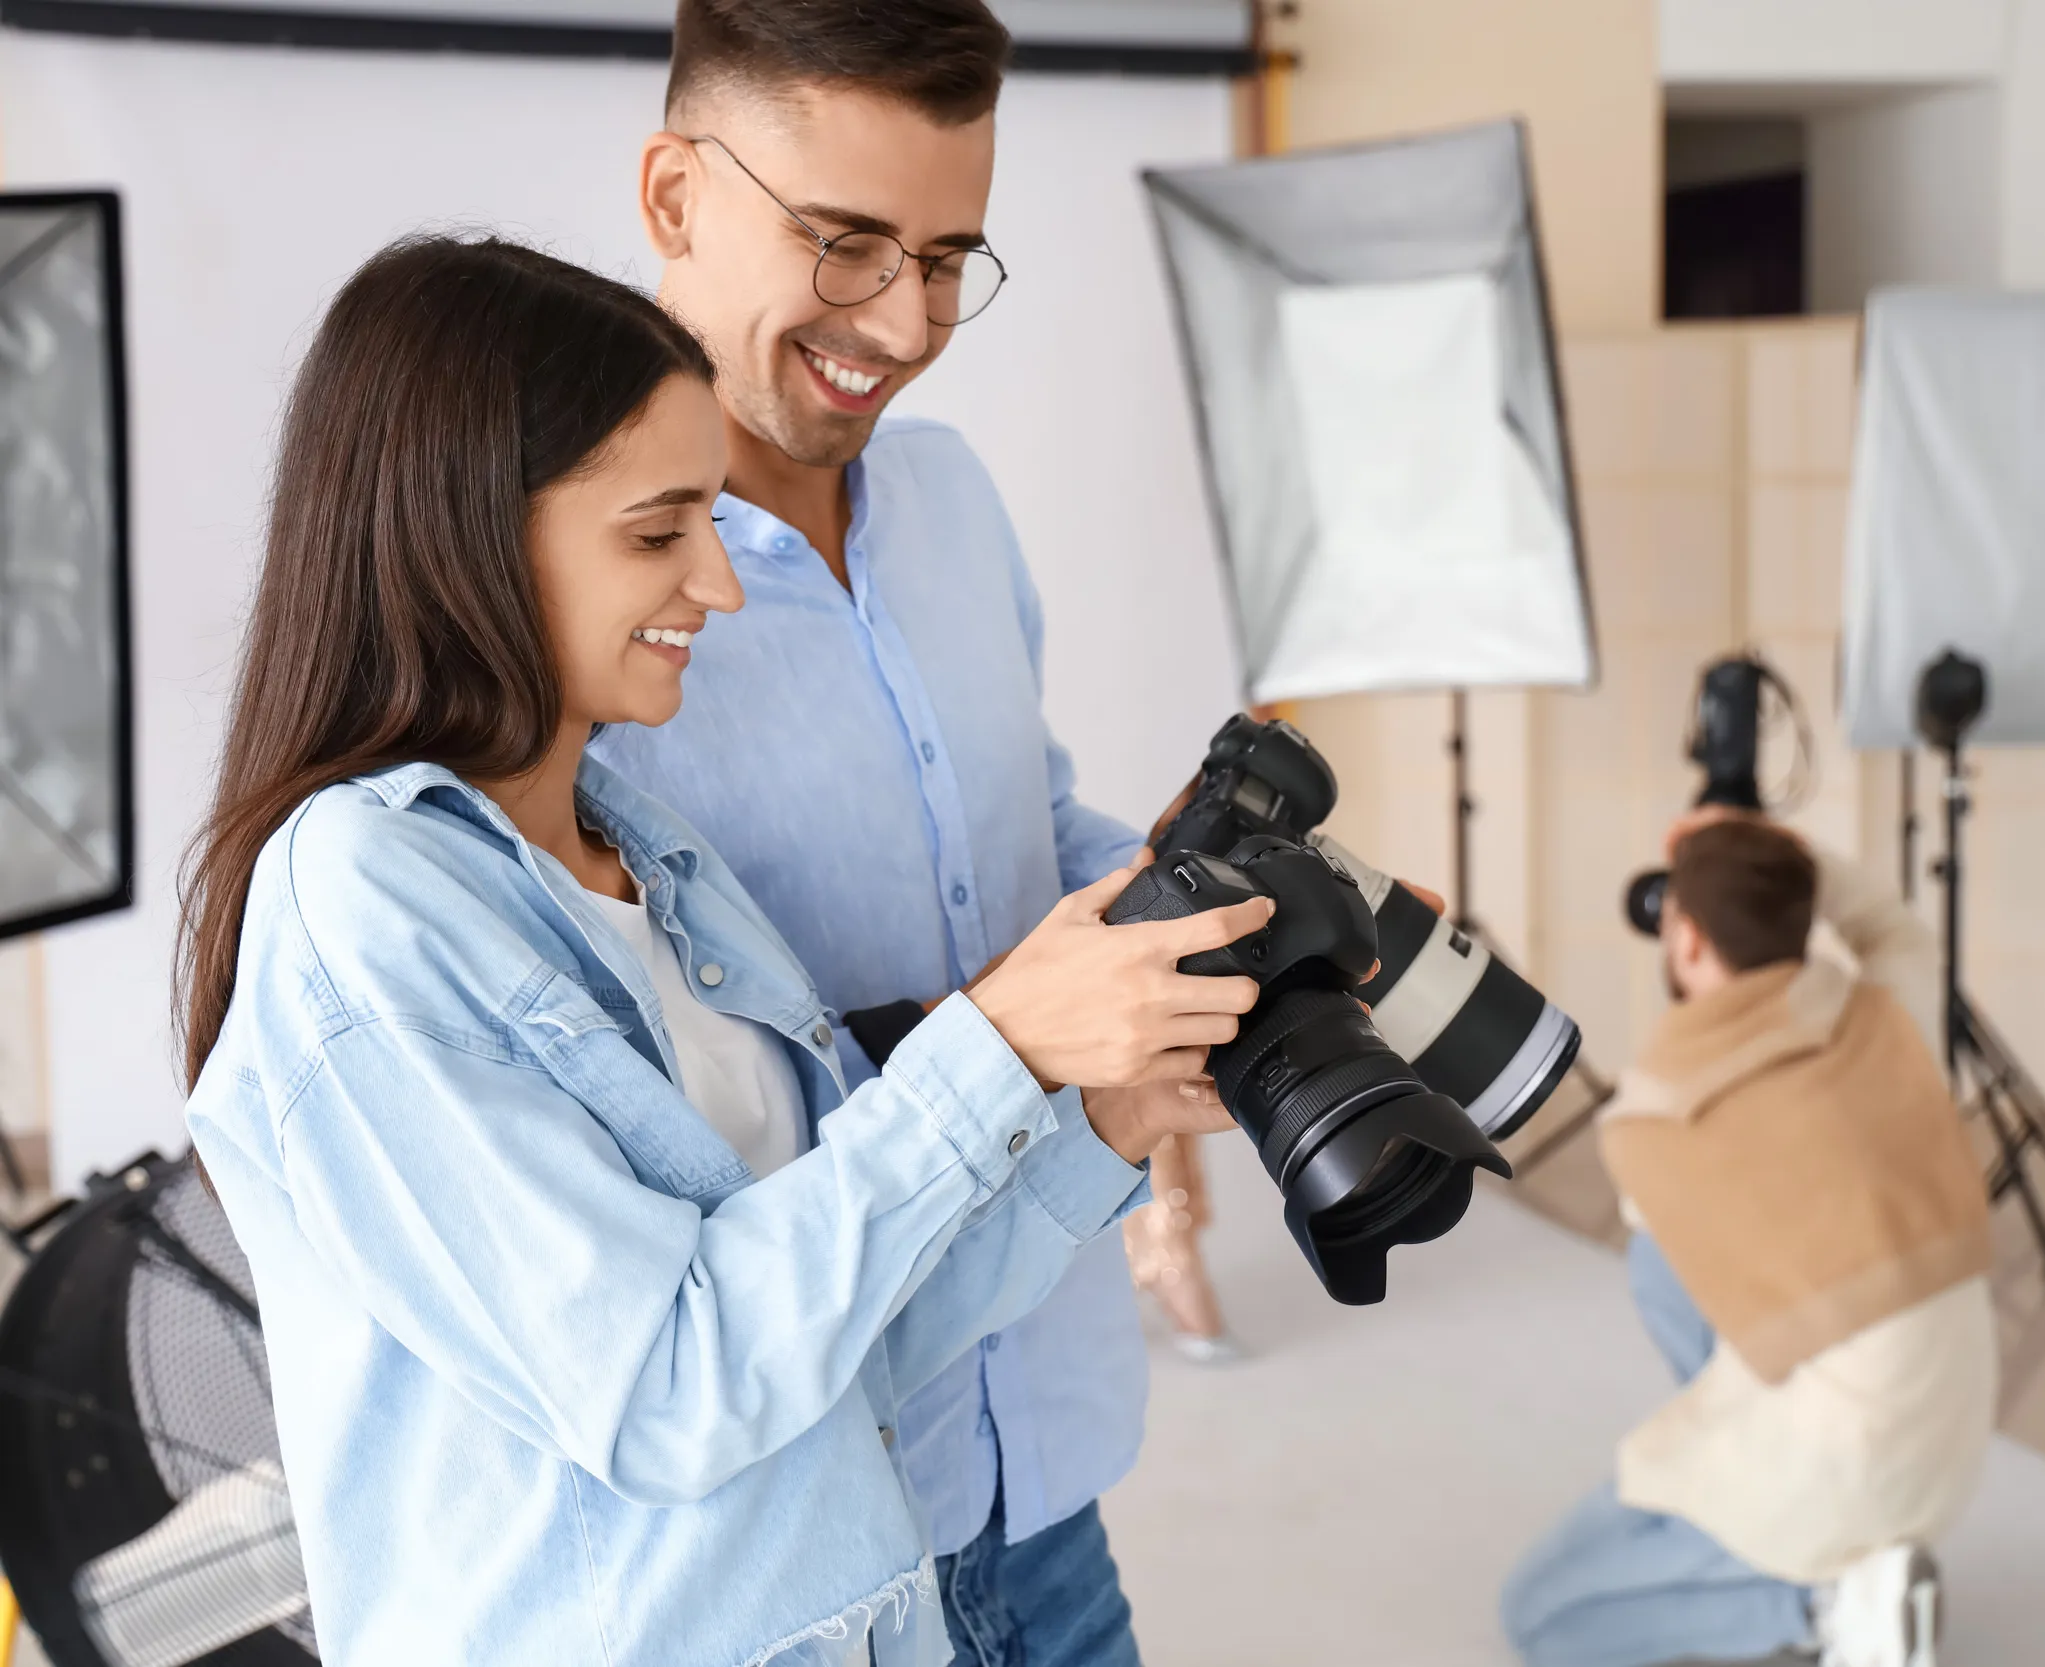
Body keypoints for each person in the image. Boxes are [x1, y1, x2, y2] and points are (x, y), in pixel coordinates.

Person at [177, 236, 1263, 1667]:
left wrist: (1101, 1120)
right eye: (657, 530)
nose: (721, 584)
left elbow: (830, 1329)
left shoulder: (649, 850)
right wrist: (996, 1046)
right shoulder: (365, 900)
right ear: (466, 532)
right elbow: (670, 1387)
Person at [589, 6, 1222, 1658]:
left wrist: (1205, 910)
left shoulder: (950, 501)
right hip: (806, 1547)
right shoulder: (572, 602)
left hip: (1050, 1469)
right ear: (673, 196)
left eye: (947, 259)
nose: (906, 320)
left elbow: (1032, 831)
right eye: (846, 245)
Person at [1502, 816, 1994, 1667]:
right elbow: (1892, 923)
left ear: (1685, 936)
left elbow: (1686, 1295)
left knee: (1541, 1616)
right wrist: (1782, 855)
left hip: (1846, 1458)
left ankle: (1826, 1602)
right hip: (1952, 1413)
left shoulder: (1651, 1118)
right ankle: (1796, 1532)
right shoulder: (1890, 1007)